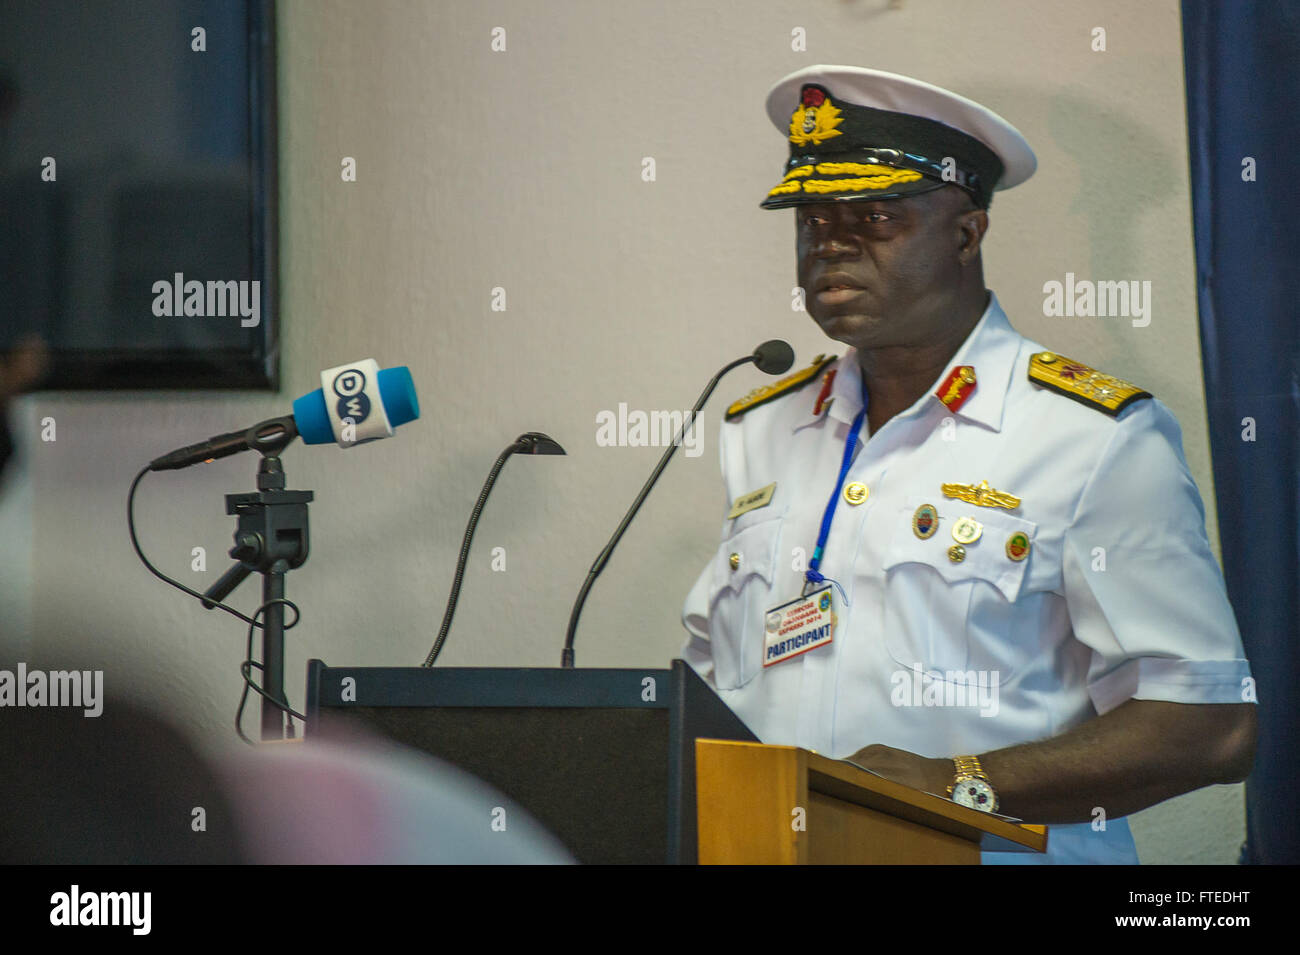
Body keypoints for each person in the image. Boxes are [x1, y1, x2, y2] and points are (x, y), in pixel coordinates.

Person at [680, 65, 1256, 864]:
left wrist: (959, 781)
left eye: (874, 215)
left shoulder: (1090, 437)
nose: (830, 244)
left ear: (966, 233)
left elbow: (1210, 724)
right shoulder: (762, 428)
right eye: (811, 219)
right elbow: (713, 693)